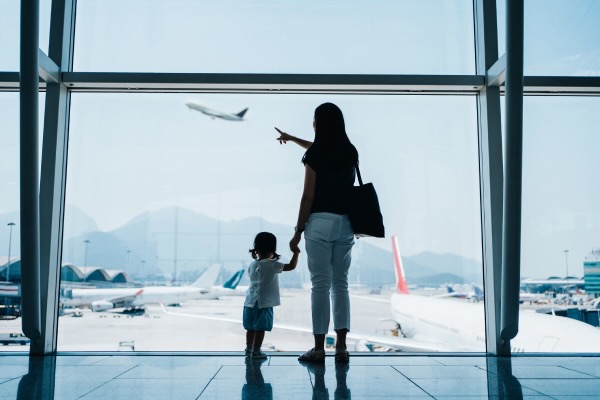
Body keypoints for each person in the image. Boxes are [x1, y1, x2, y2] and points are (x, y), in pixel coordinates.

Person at [275, 102, 358, 363]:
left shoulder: (315, 154)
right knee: (340, 285)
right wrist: (291, 139)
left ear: (318, 124)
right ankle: (342, 348)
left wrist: (298, 231)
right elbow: (322, 151)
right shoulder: (350, 151)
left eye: (313, 120)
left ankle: (319, 348)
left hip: (319, 223)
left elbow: (307, 196)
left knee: (320, 286)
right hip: (346, 223)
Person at [244, 232, 299, 359]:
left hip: (249, 301)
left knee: (250, 328)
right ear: (273, 250)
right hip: (265, 302)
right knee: (260, 327)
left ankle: (249, 349)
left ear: (256, 249)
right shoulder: (272, 264)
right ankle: (256, 351)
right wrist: (296, 253)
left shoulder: (252, 265)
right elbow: (291, 266)